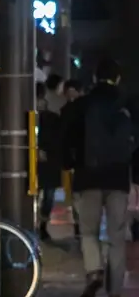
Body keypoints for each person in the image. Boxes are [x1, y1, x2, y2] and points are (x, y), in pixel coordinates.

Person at [62, 57, 137, 297]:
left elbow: (67, 134)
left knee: (89, 231)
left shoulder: (82, 105)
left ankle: (94, 271)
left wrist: (68, 164)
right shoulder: (128, 104)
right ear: (117, 78)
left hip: (88, 177)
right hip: (118, 178)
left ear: (94, 78)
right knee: (116, 237)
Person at [37, 79, 64, 241]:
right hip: (50, 163)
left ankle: (41, 225)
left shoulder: (24, 117)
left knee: (46, 194)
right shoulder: (53, 117)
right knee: (48, 195)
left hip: (46, 163)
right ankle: (41, 225)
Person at [61, 79, 84, 237]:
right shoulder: (85, 109)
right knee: (78, 194)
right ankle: (79, 223)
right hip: (80, 158)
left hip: (75, 157)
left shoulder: (67, 110)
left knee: (77, 194)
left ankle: (79, 223)